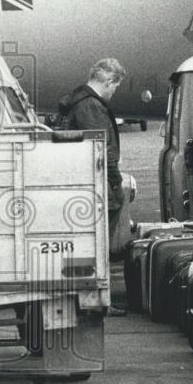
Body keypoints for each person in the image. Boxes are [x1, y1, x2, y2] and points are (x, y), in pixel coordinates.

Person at [58, 58, 127, 315]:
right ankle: (97, 302)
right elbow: (102, 149)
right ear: (108, 81)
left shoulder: (77, 102)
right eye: (114, 87)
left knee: (86, 245)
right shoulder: (91, 107)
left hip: (82, 185)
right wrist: (116, 182)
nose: (113, 93)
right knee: (98, 246)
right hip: (97, 186)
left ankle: (91, 300)